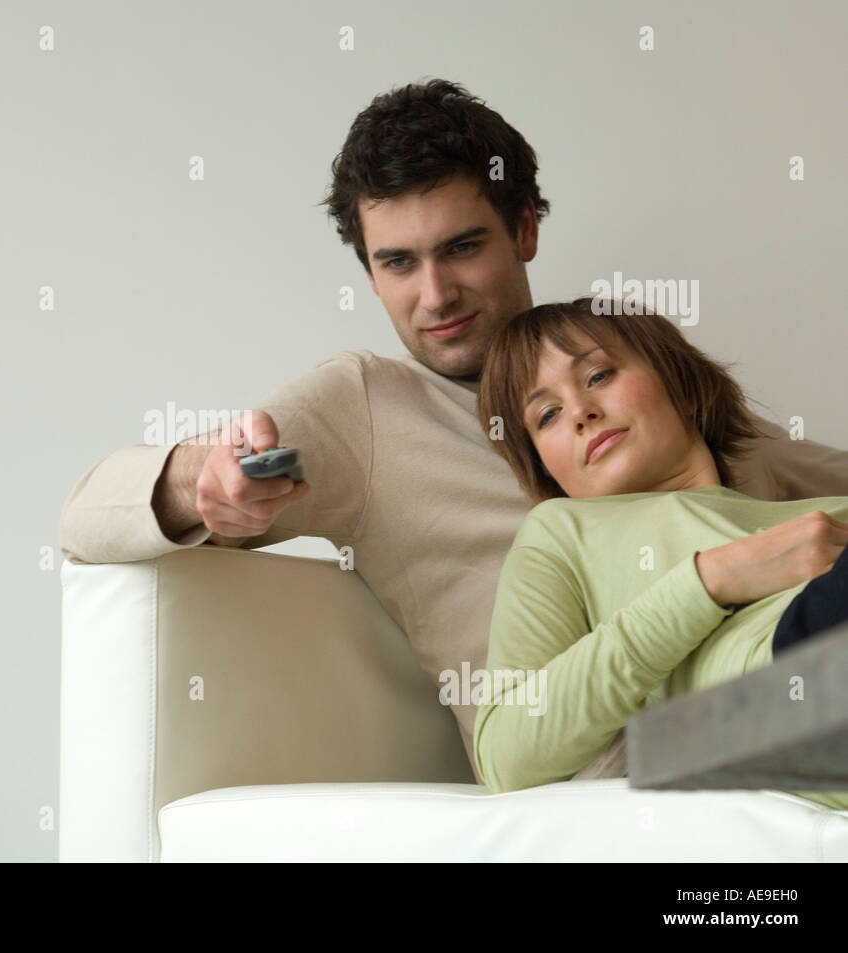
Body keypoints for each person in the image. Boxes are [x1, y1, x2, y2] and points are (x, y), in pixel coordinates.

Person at [59, 79, 848, 784]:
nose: (435, 294)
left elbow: (798, 469)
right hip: (612, 775)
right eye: (398, 263)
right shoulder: (365, 409)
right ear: (370, 275)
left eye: (462, 247)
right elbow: (85, 513)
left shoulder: (632, 380)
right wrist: (200, 482)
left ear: (525, 231)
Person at [473, 297, 848, 810]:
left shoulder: (825, 513)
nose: (581, 412)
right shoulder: (560, 532)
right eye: (548, 415)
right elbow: (506, 756)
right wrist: (712, 578)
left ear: (684, 387)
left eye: (599, 376)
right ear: (545, 468)